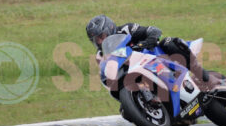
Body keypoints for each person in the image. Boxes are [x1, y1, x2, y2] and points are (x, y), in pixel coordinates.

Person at [86, 14, 218, 89]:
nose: (100, 41)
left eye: (102, 36)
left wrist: (145, 43)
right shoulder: (102, 55)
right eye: (96, 39)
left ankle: (205, 78)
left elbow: (154, 30)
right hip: (136, 72)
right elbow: (107, 76)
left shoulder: (126, 29)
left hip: (155, 55)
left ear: (110, 28)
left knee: (168, 43)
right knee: (126, 113)